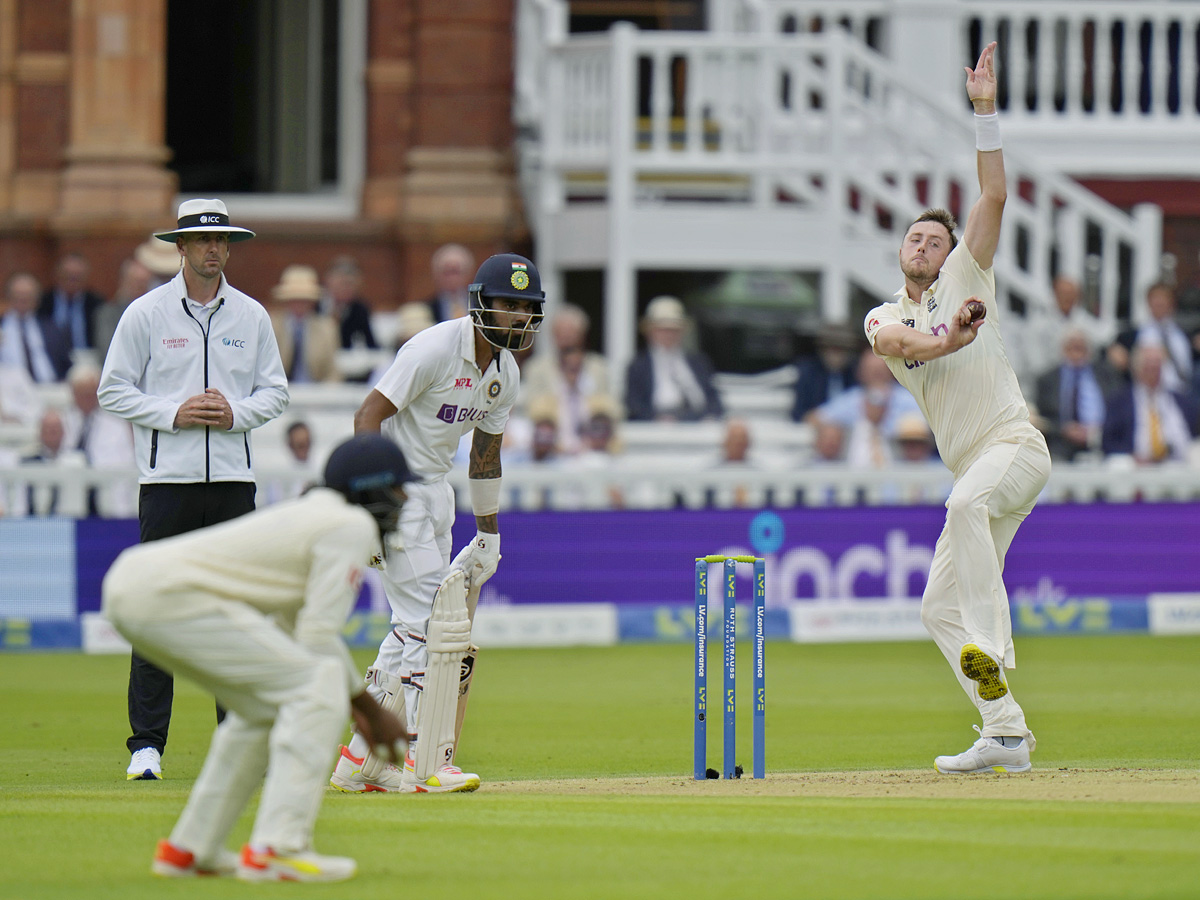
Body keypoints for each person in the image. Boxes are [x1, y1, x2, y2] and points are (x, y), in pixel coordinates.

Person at [101, 434, 411, 883]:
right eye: (399, 488)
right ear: (373, 487)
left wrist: (362, 706)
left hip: (137, 585)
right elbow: (319, 639)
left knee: (260, 709)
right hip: (168, 596)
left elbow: (301, 632)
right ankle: (279, 847)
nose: (403, 499)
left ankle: (190, 848)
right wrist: (369, 709)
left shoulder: (312, 516)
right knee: (316, 688)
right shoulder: (349, 525)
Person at [864, 42, 1051, 775]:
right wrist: (949, 336)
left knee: (965, 509)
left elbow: (994, 196)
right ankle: (1006, 730)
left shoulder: (969, 272)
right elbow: (902, 341)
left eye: (936, 240)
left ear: (950, 256)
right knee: (935, 609)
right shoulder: (883, 316)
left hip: (1016, 445)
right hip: (974, 463)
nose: (923, 243)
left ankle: (995, 650)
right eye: (915, 236)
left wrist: (984, 112)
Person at [331, 252, 543, 794]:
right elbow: (367, 417)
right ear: (479, 305)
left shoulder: (506, 372)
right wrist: (372, 506)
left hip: (437, 494)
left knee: (408, 629)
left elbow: (484, 458)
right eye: (508, 305)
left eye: (527, 307)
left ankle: (357, 762)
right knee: (433, 623)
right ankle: (425, 761)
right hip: (394, 494)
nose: (518, 316)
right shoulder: (431, 347)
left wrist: (489, 533)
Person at [99, 198, 290, 781]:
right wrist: (171, 413)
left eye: (221, 241)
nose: (213, 249)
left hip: (233, 484)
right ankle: (146, 747)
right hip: (167, 483)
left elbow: (276, 393)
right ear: (178, 248)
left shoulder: (252, 316)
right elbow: (113, 390)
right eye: (202, 241)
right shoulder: (146, 314)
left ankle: (237, 740)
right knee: (158, 610)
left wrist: (234, 414)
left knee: (237, 614)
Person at [520, 302, 614, 454]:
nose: (565, 337)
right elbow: (532, 412)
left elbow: (608, 411)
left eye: (570, 332)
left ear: (582, 335)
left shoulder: (598, 368)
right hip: (551, 451)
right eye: (560, 332)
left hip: (593, 450)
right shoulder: (536, 369)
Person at [624, 295, 723, 421]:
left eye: (674, 330)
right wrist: (656, 419)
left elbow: (714, 400)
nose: (669, 335)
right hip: (656, 427)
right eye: (663, 330)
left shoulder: (699, 362)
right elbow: (633, 404)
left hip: (696, 422)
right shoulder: (638, 365)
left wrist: (709, 417)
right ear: (650, 332)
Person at [1101, 342, 1196, 463]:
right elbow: (1108, 443)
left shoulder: (1182, 401)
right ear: (1136, 370)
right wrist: (1132, 457)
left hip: (1179, 467)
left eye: (1158, 367)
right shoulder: (1119, 402)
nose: (1154, 373)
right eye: (1149, 368)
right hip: (1136, 471)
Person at [63, 361, 136, 517]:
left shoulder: (117, 426)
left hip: (106, 501)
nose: (87, 399)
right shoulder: (62, 422)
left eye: (91, 394)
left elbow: (125, 463)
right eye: (82, 394)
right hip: (68, 500)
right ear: (73, 393)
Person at [1033, 328, 1115, 461]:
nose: (1076, 352)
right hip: (1060, 443)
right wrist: (1064, 429)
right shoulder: (1047, 380)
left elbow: (1117, 409)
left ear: (1089, 350)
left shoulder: (1107, 375)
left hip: (1101, 440)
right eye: (1072, 346)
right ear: (1063, 349)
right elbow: (1041, 420)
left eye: (1081, 347)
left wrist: (1095, 432)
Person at [269, 265, 342, 383]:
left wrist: (327, 394)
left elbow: (333, 371)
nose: (299, 304)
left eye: (304, 300)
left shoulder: (327, 328)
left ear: (312, 302)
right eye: (294, 299)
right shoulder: (271, 326)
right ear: (286, 301)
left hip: (317, 395)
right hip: (278, 391)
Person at [1, 272, 72, 382]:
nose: (22, 300)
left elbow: (66, 364)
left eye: (27, 297)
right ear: (9, 297)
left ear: (37, 299)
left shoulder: (52, 327)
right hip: (10, 390)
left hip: (52, 388)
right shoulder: (2, 326)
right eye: (18, 296)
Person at [1133, 282, 1194, 397]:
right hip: (1149, 396)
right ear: (1148, 303)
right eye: (1155, 298)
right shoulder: (1136, 335)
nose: (1159, 303)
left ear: (1171, 303)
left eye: (1163, 298)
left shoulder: (1183, 335)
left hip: (1181, 395)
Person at [791, 321, 861, 421]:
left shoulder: (857, 373)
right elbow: (798, 412)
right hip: (817, 431)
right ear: (822, 349)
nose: (836, 356)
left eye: (841, 350)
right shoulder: (808, 372)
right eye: (832, 349)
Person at [39, 252, 105, 353]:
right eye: (68, 277)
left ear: (85, 278)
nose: (72, 282)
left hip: (87, 357)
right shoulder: (43, 302)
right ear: (57, 275)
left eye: (76, 278)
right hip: (53, 357)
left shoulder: (96, 304)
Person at [323, 255, 378, 351]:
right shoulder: (315, 305)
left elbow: (370, 344)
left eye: (350, 284)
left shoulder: (360, 309)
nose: (346, 289)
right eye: (342, 283)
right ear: (328, 282)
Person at [420, 243, 475, 323]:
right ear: (436, 274)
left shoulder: (478, 305)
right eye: (447, 272)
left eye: (455, 272)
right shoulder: (426, 309)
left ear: (467, 273)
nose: (452, 278)